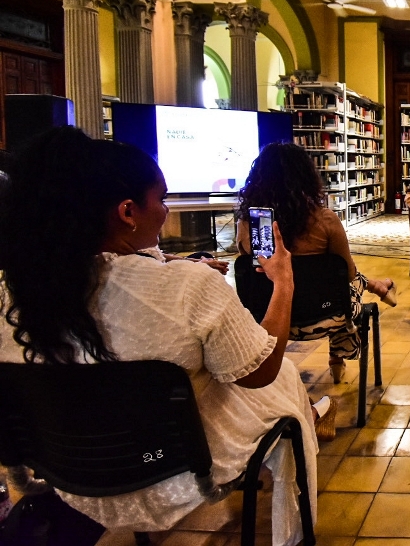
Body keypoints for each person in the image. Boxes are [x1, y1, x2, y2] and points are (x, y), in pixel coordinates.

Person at [0, 128, 318, 546]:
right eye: (163, 199)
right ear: (127, 212)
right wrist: (283, 282)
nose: (167, 210)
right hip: (177, 469)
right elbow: (260, 372)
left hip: (67, 470)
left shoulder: (12, 294)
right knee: (284, 379)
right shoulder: (187, 289)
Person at [236, 142, 397, 385]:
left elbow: (250, 270)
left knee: (338, 283)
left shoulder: (249, 225)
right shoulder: (326, 220)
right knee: (347, 286)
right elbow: (348, 273)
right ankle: (338, 356)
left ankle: (377, 285)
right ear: (307, 177)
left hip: (267, 318)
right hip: (327, 316)